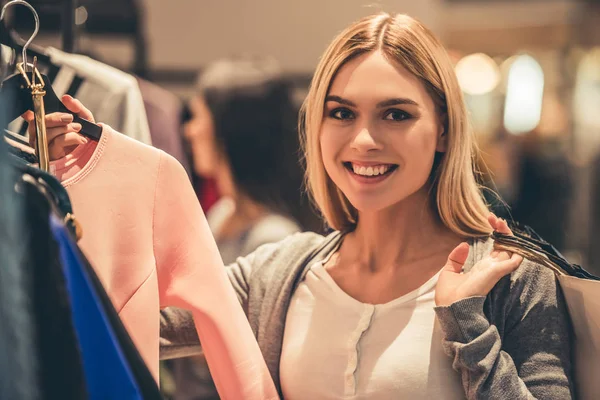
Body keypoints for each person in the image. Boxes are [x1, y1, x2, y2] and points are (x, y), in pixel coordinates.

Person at [39, 12, 573, 400]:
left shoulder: (509, 278)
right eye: (341, 113)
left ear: (443, 131)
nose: (363, 139)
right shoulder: (279, 273)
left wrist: (467, 323)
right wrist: (81, 183)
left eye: (395, 114)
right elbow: (116, 324)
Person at [170, 57, 310, 399]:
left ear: (229, 131)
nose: (189, 130)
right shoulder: (221, 212)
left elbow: (235, 351)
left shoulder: (273, 237)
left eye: (199, 118)